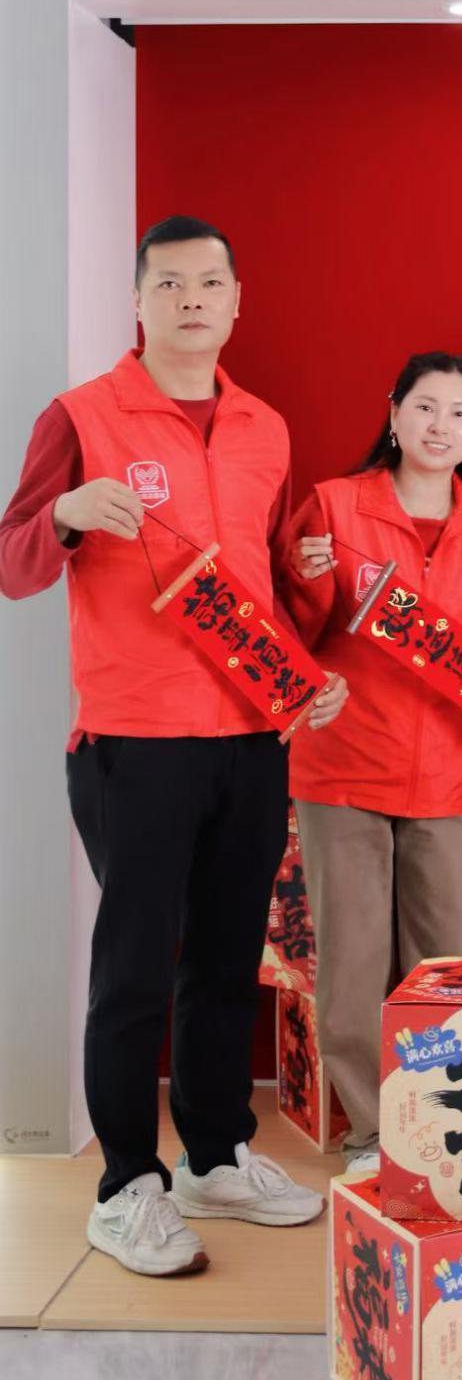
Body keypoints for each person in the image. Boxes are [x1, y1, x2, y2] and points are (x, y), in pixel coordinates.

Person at [0, 215, 347, 1277]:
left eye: (210, 282)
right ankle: (124, 1185)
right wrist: (63, 512)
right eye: (169, 283)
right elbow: (13, 561)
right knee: (135, 969)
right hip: (134, 740)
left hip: (251, 736)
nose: (192, 298)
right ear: (139, 300)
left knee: (226, 959)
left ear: (237, 299)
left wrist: (309, 654)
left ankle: (214, 1155)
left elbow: (270, 587)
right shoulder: (81, 414)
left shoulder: (264, 427)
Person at [282, 352, 462, 1172]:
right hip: (344, 764)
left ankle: (442, 1123)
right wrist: (304, 579)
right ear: (393, 412)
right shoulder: (333, 503)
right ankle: (370, 1129)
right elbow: (291, 629)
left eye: (459, 412)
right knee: (353, 961)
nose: (440, 425)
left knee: (452, 966)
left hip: (449, 772)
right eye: (424, 406)